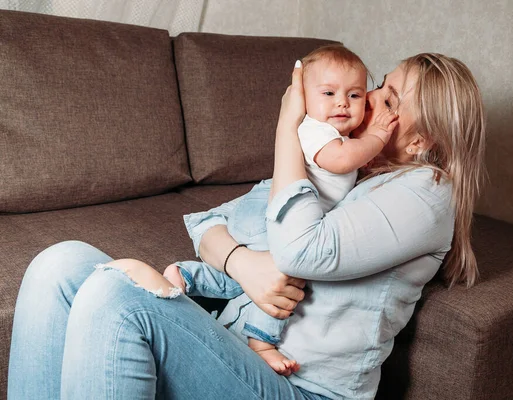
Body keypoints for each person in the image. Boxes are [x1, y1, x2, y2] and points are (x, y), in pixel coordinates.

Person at [8, 52, 486, 400]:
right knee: (59, 262)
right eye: (381, 83)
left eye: (391, 99)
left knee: (116, 297)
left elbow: (301, 251)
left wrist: (288, 127)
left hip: (303, 389)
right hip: (239, 353)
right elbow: (210, 222)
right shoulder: (338, 168)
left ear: (421, 139)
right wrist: (245, 265)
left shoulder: (428, 192)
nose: (371, 96)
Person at [161, 44, 398, 376]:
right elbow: (342, 159)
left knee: (250, 276)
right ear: (302, 98)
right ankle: (261, 341)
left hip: (264, 208)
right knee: (290, 274)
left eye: (355, 95)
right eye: (328, 92)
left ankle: (186, 276)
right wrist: (378, 135)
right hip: (272, 210)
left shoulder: (338, 135)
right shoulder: (316, 131)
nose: (342, 102)